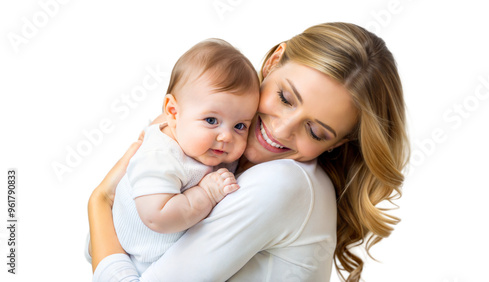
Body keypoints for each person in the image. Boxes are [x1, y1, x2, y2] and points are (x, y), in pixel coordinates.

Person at [87, 22, 410, 281]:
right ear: (272, 62)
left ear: (337, 143)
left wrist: (99, 202)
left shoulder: (284, 182)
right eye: (285, 98)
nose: (281, 130)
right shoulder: (219, 153)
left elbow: (107, 246)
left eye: (316, 131)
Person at [104, 39, 260, 273]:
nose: (226, 136)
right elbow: (157, 215)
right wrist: (206, 193)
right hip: (139, 257)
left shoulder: (204, 142)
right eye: (211, 120)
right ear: (173, 112)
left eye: (240, 126)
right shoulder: (160, 156)